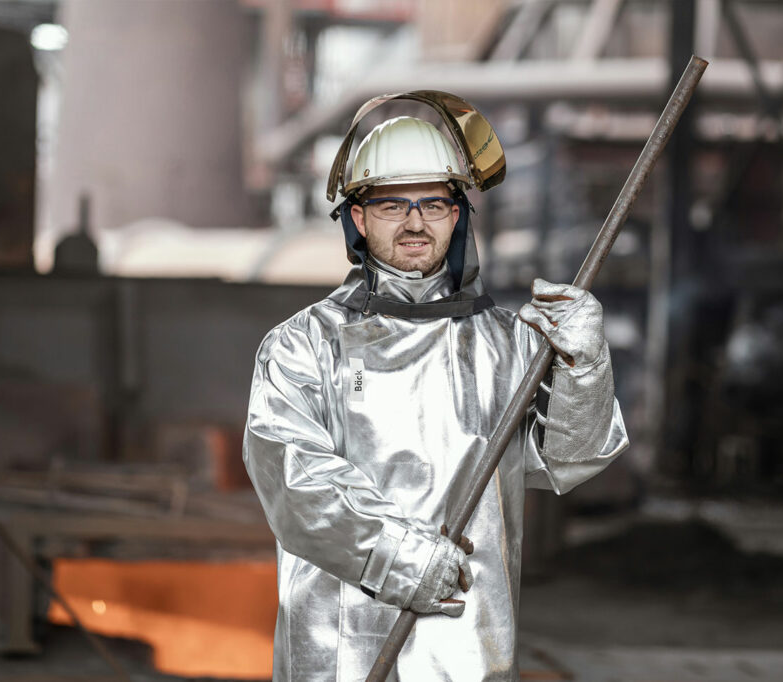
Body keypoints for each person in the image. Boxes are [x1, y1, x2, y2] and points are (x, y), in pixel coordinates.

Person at [244, 95, 628, 681]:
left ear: (458, 216)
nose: (416, 222)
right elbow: (295, 485)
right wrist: (400, 556)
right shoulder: (303, 346)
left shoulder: (513, 346)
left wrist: (584, 366)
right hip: (341, 651)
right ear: (358, 217)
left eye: (434, 203)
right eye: (392, 204)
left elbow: (572, 459)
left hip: (469, 648)